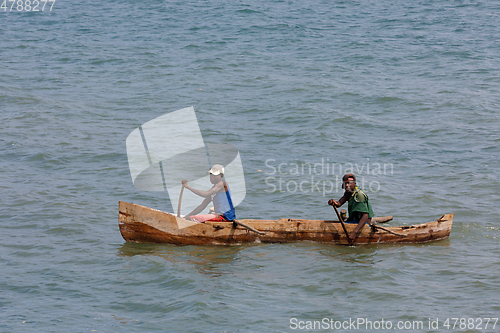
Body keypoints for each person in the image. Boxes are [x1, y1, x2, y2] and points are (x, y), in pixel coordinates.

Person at [328, 173, 374, 241]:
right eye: (345, 183)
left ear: (354, 184)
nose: (347, 185)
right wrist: (333, 202)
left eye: (349, 183)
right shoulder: (348, 193)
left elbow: (365, 216)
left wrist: (354, 233)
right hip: (354, 220)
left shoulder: (359, 195)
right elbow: (339, 203)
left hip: (364, 223)